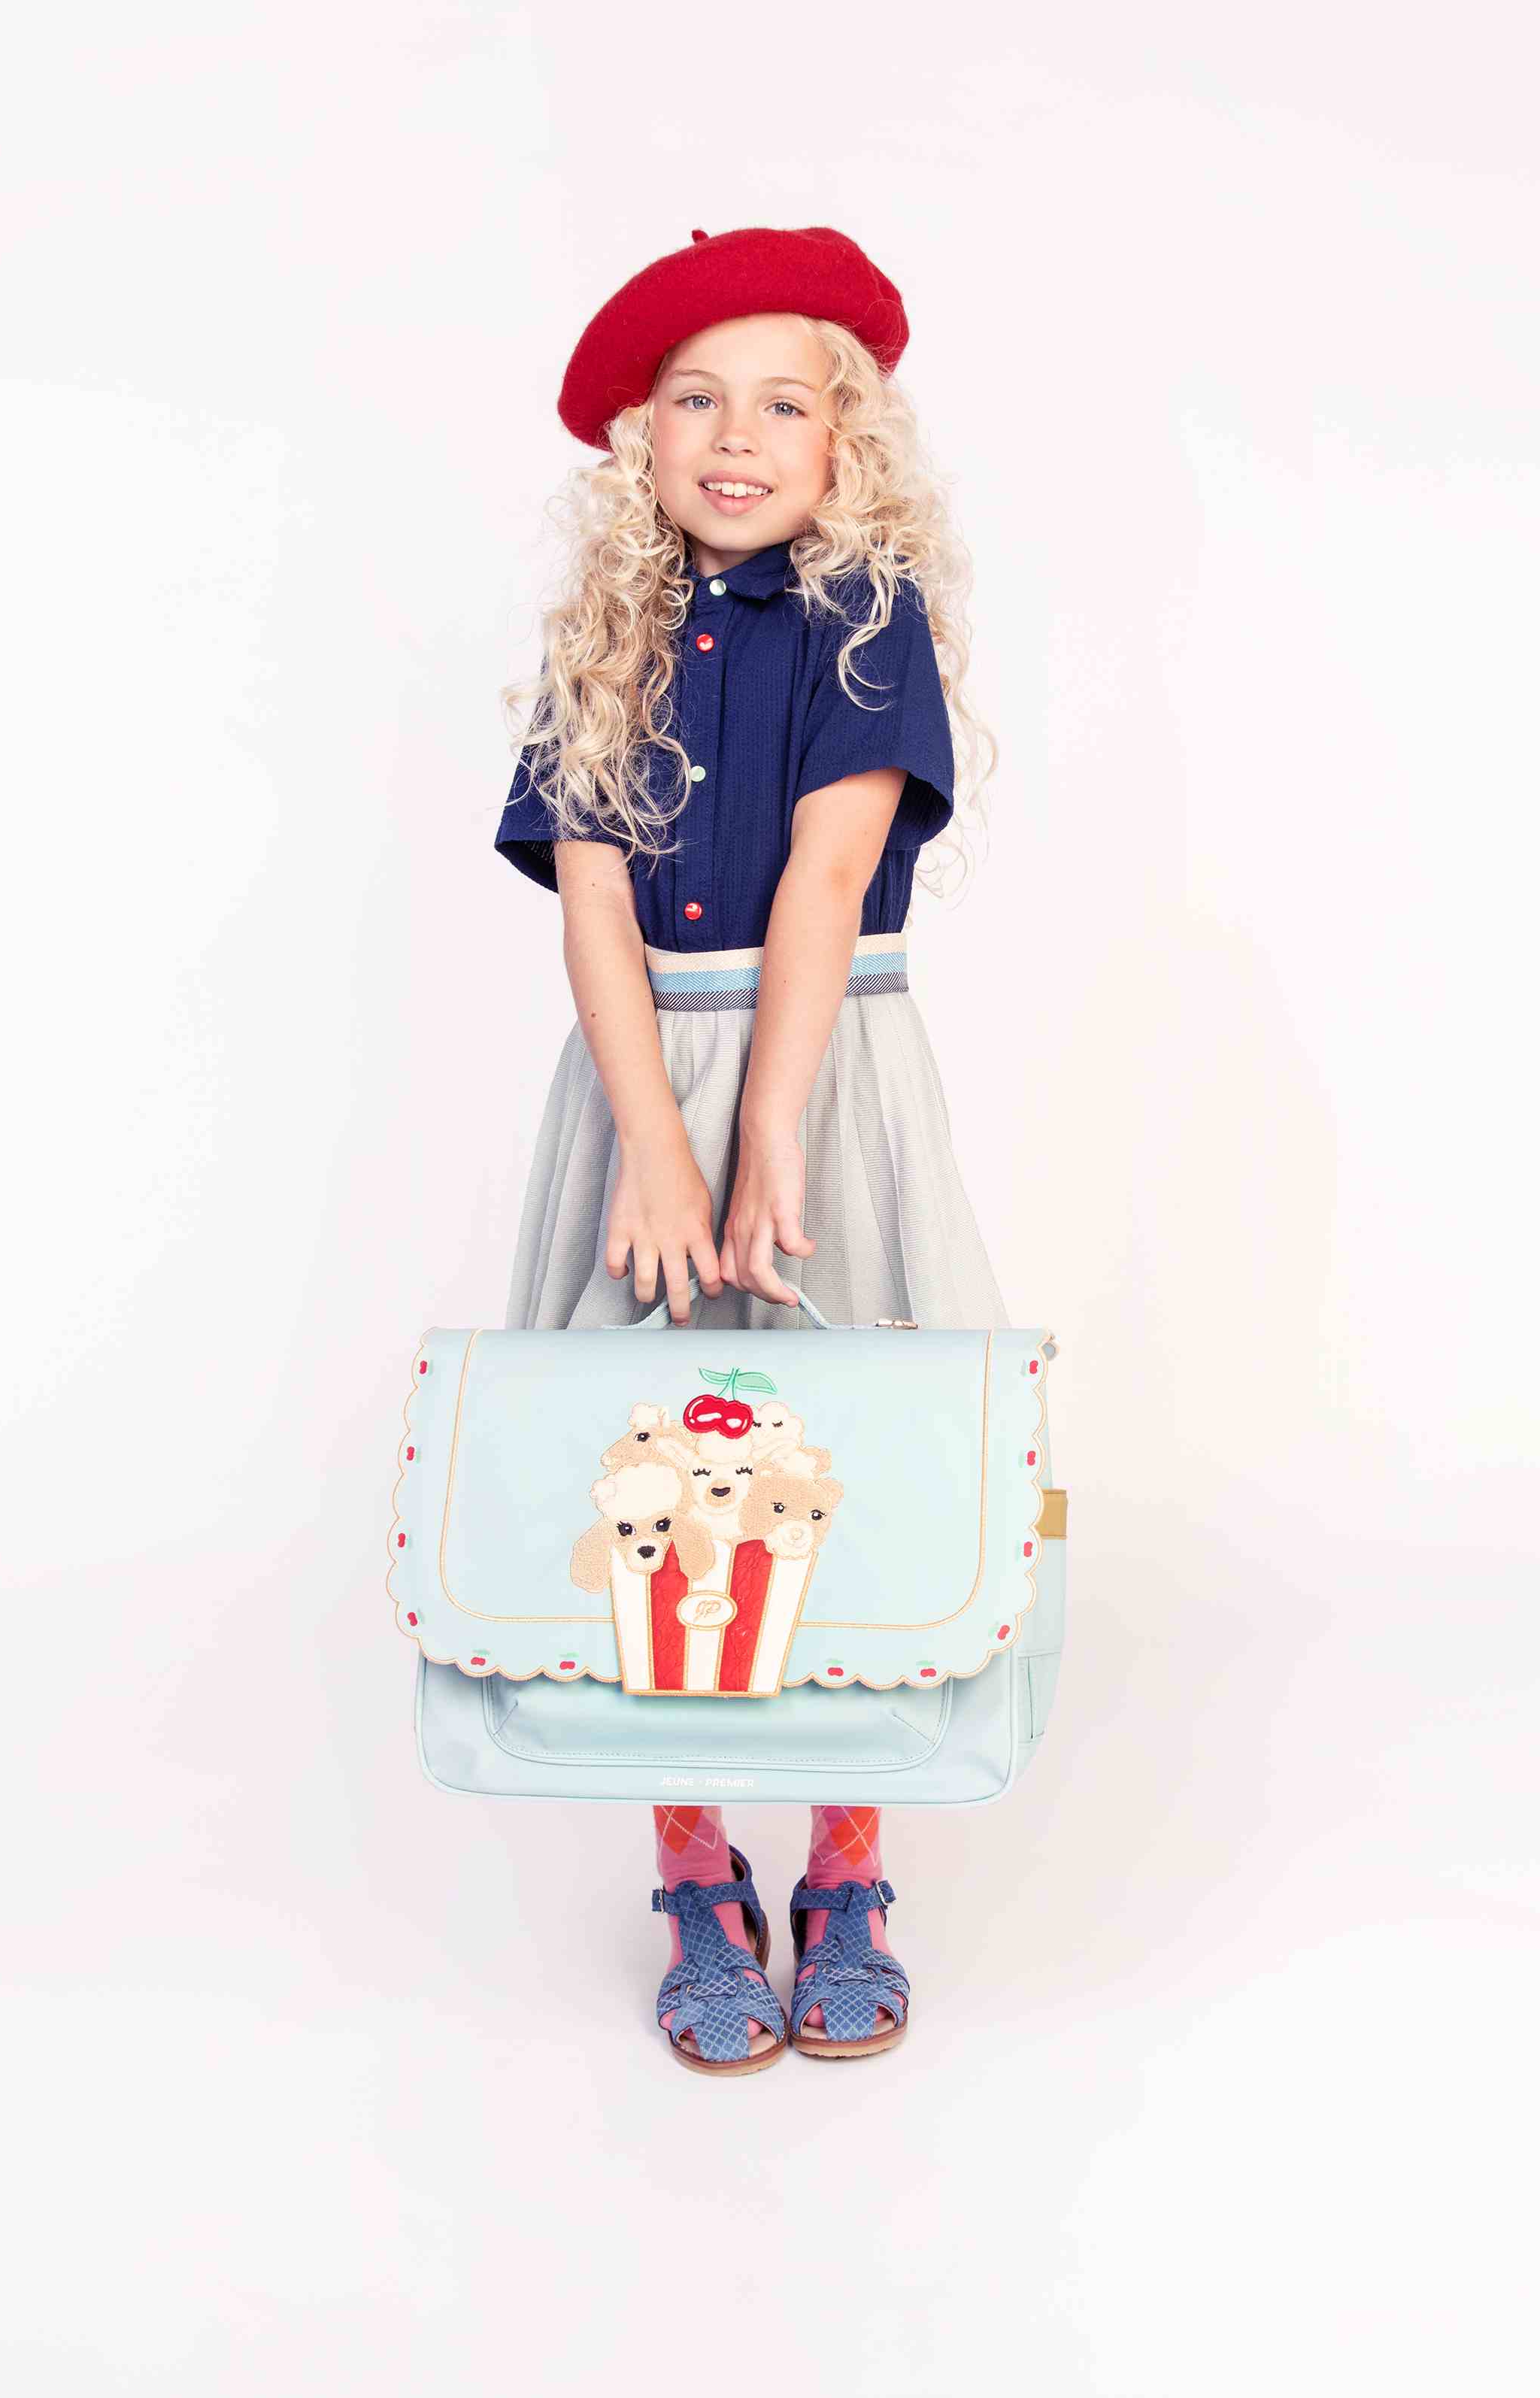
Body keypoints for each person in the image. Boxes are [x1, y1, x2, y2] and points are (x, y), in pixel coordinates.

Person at [492, 225, 1011, 2073]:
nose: (736, 436)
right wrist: (654, 1140)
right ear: (639, 435)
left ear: (844, 440)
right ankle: (694, 1868)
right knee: (652, 1467)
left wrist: (766, 1123)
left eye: (783, 403)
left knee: (839, 1440)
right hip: (640, 1069)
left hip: (825, 1057)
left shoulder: (867, 618)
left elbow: (826, 866)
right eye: (696, 399)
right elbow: (591, 907)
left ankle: (847, 1863)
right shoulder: (604, 637)